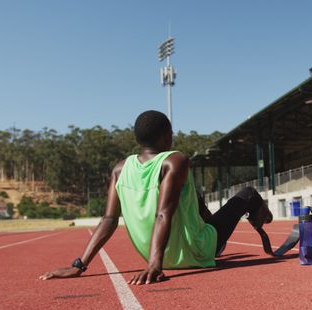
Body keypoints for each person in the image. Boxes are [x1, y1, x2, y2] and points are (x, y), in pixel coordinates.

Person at [39, 110, 272, 285]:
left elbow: (108, 220)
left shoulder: (120, 169)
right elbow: (163, 213)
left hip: (156, 256)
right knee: (249, 194)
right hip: (194, 252)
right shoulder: (175, 160)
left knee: (191, 195)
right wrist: (155, 266)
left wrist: (79, 265)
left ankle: (231, 217)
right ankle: (263, 216)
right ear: (166, 136)